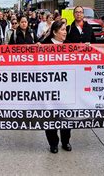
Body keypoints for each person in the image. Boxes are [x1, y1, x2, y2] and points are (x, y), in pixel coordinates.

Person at [39, 20, 71, 153]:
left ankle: (66, 141)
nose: (65, 32)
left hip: (66, 87)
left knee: (66, 115)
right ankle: (53, 143)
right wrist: (36, 49)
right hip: (49, 88)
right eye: (62, 30)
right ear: (54, 32)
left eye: (65, 30)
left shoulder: (69, 46)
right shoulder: (45, 45)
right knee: (50, 115)